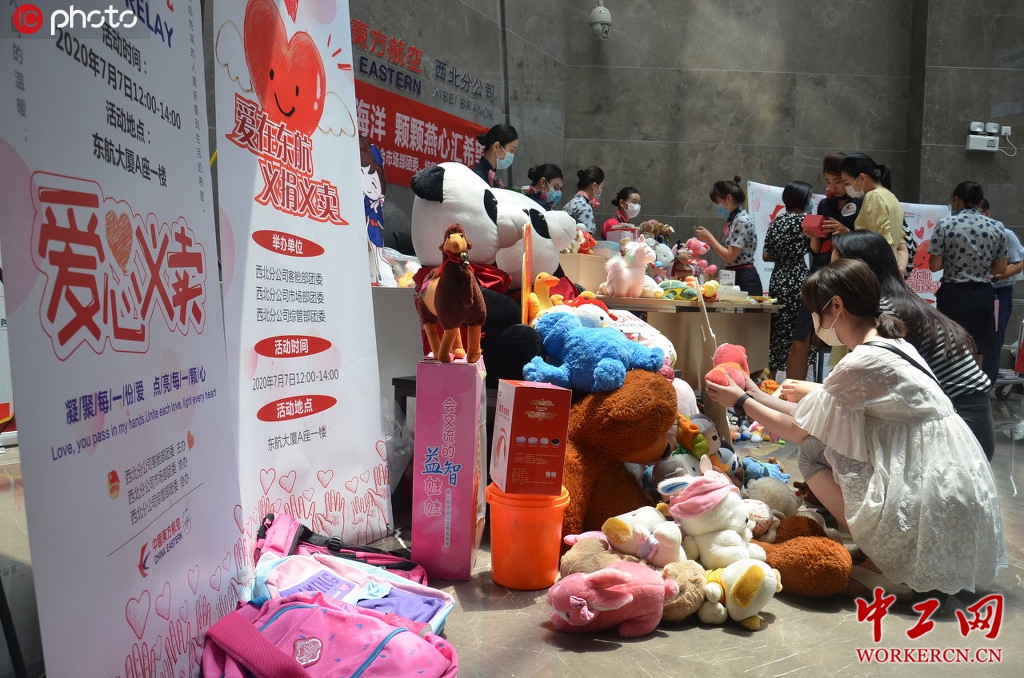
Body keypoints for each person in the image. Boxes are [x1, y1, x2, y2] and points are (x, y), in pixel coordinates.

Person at [705, 258, 1006, 597]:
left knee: (811, 452)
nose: (815, 322)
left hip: (930, 485)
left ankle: (884, 560)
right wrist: (754, 393)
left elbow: (800, 430)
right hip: (953, 475)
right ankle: (883, 550)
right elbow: (813, 414)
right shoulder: (893, 343)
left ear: (836, 306)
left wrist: (741, 402)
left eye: (815, 312)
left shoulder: (861, 361)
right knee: (821, 444)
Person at [832, 230, 996, 460]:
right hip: (966, 417)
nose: (829, 277)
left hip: (960, 427)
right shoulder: (898, 299)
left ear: (858, 271)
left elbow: (864, 387)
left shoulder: (883, 312)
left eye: (835, 268)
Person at [788, 154, 863, 380]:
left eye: (838, 182)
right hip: (819, 273)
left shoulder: (862, 203)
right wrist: (812, 233)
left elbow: (867, 242)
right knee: (802, 333)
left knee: (849, 334)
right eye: (828, 182)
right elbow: (816, 248)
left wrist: (845, 232)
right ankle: (791, 391)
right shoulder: (824, 204)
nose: (833, 187)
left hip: (845, 275)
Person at [928, 181, 1008, 383]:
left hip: (953, 295)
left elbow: (934, 266)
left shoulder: (945, 225)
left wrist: (953, 261)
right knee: (978, 348)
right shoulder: (997, 227)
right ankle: (974, 387)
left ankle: (949, 388)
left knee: (950, 345)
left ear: (957, 200)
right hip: (983, 295)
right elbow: (1001, 268)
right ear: (980, 201)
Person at [762, 181, 812, 380]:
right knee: (799, 334)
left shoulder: (777, 221)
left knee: (776, 332)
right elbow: (815, 248)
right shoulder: (806, 221)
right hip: (799, 279)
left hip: (778, 278)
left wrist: (782, 256)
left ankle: (769, 380)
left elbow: (766, 255)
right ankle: (794, 383)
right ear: (803, 199)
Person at [694, 175, 763, 298]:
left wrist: (710, 238)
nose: (718, 206)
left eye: (718, 202)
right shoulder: (734, 220)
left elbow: (730, 256)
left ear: (729, 198)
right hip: (733, 275)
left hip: (745, 279)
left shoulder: (742, 221)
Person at [838, 153, 908, 271]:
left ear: (862, 177)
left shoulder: (873, 196)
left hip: (877, 267)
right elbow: (900, 240)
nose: (847, 188)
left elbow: (884, 239)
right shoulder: (891, 196)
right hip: (891, 265)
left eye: (847, 183)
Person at [982, 199, 1024, 367]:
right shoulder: (961, 232)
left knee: (994, 337)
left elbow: (1018, 264)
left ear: (987, 213)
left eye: (978, 213)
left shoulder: (1005, 234)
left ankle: (988, 377)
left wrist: (996, 276)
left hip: (998, 292)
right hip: (969, 290)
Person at [471, 123, 519, 188]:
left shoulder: (493, 178)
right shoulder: (477, 178)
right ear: (496, 146)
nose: (512, 155)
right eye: (511, 150)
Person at [562, 166, 605, 236]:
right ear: (594, 186)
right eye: (601, 187)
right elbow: (586, 238)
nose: (601, 191)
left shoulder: (567, 205)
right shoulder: (585, 207)